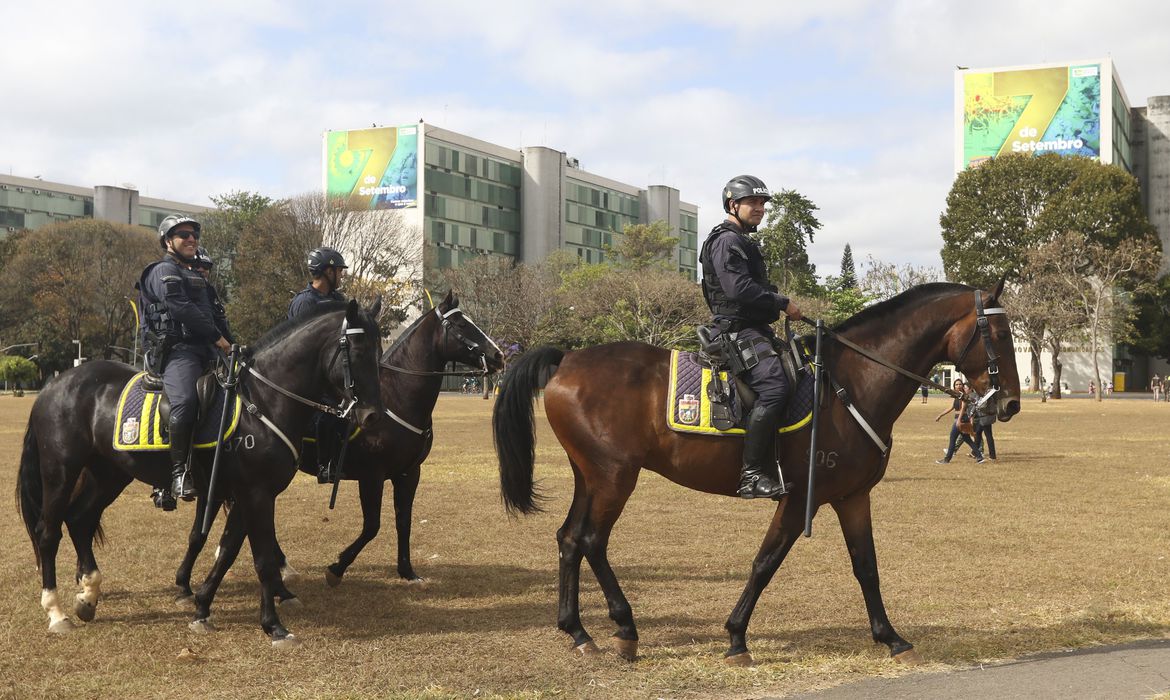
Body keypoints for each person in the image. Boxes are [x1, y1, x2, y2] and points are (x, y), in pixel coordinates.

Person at [699, 175, 803, 499]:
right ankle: (752, 475)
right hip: (736, 330)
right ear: (733, 205)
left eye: (763, 204)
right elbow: (737, 289)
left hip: (752, 328)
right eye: (753, 202)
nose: (760, 208)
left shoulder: (741, 240)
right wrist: (782, 302)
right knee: (774, 387)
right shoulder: (727, 241)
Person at [139, 216, 232, 510]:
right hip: (178, 352)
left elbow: (216, 318)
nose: (191, 239)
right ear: (168, 241)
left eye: (194, 235)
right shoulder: (162, 270)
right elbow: (178, 307)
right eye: (183, 235)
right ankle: (178, 474)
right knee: (186, 401)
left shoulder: (197, 277)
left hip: (207, 351)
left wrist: (233, 346)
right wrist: (218, 338)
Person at [288, 246, 350, 483]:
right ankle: (325, 464)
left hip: (333, 372)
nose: (341, 275)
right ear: (326, 272)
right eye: (338, 270)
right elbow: (299, 346)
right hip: (307, 375)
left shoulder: (337, 300)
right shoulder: (305, 302)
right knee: (330, 411)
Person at [288, 246, 348, 320]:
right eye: (340, 270)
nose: (341, 276)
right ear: (329, 272)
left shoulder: (338, 298)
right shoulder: (305, 302)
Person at [933, 379, 983, 464]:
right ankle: (979, 457)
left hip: (961, 419)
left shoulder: (963, 395)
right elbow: (951, 407)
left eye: (960, 384)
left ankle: (947, 459)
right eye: (956, 384)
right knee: (967, 439)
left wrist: (958, 421)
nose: (958, 386)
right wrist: (940, 415)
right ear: (954, 386)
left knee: (952, 439)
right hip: (962, 419)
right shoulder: (957, 395)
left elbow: (963, 409)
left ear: (962, 386)